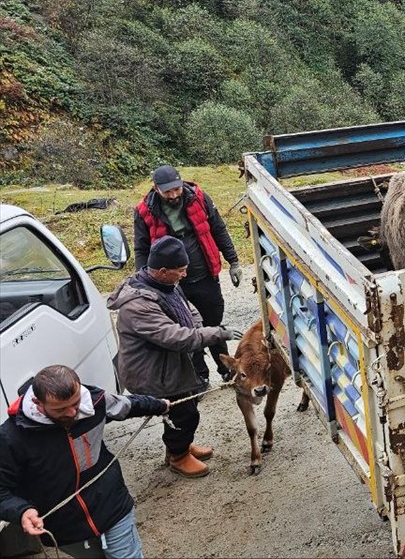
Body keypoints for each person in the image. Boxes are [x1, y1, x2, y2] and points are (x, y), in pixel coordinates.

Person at [0, 365, 170, 558]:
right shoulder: (10, 438)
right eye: (61, 409)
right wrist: (21, 512)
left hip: (113, 506)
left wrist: (160, 405)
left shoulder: (94, 401)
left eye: (76, 402)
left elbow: (128, 405)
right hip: (66, 529)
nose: (73, 413)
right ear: (38, 403)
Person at [107, 236, 242, 478]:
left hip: (168, 364)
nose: (184, 274)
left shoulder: (165, 285)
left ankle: (180, 446)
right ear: (161, 271)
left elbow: (188, 309)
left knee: (185, 406)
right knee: (184, 413)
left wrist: (198, 326)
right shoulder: (139, 305)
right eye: (180, 270)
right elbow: (176, 337)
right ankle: (178, 456)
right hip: (152, 373)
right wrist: (216, 333)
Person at [134, 165, 241, 384]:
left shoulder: (198, 198)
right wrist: (144, 282)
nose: (173, 195)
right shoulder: (145, 212)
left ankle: (226, 370)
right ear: (156, 189)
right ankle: (199, 377)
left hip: (204, 275)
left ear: (181, 183)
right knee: (186, 329)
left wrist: (234, 261)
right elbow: (142, 249)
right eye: (167, 192)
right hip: (172, 284)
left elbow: (218, 229)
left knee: (213, 323)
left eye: (176, 189)